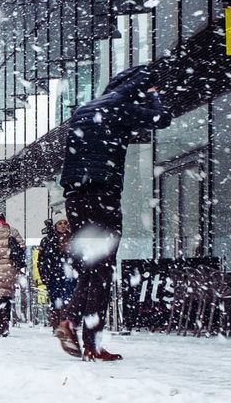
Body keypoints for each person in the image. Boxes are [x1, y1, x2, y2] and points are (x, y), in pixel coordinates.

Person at [56, 64, 171, 361]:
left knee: (93, 266)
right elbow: (162, 118)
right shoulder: (121, 106)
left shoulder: (86, 108)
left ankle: (71, 322)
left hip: (75, 198)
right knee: (103, 269)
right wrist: (154, 95)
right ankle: (89, 342)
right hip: (101, 196)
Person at [38, 218, 74, 331]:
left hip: (68, 274)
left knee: (67, 299)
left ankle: (65, 326)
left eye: (65, 223)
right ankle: (57, 325)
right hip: (53, 274)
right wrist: (43, 273)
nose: (63, 226)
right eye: (60, 223)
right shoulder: (47, 240)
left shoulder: (72, 239)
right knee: (55, 300)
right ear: (55, 226)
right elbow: (41, 259)